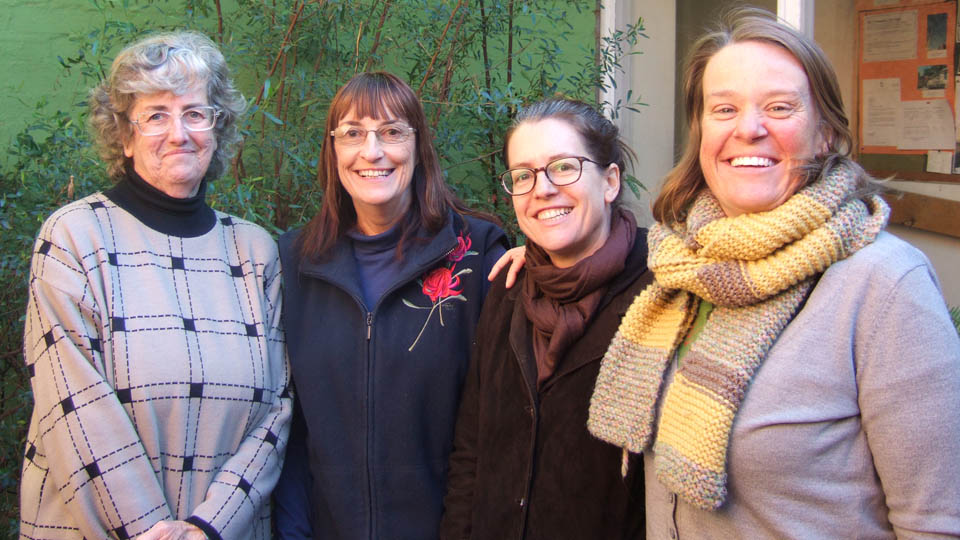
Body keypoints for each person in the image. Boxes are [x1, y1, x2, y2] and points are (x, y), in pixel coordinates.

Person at [588, 8, 960, 539]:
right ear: (701, 132)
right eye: (724, 109)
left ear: (825, 133)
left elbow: (937, 523)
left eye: (780, 107)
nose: (749, 129)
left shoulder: (883, 286)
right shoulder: (681, 272)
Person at [19, 32, 291, 540]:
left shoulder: (256, 252)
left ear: (218, 127)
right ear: (124, 135)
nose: (178, 133)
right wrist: (152, 531)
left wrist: (209, 528)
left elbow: (278, 410)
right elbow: (74, 409)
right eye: (155, 115)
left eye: (195, 113)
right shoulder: (75, 237)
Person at [275, 71, 510, 539]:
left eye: (391, 132)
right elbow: (289, 428)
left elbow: (503, 421)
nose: (372, 151)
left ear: (418, 145)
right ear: (333, 149)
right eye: (353, 133)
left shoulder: (477, 254)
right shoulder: (294, 262)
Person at [440, 98, 650, 539]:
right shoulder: (510, 287)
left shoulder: (660, 286)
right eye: (524, 175)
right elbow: (472, 450)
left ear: (610, 181)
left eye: (563, 167)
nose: (543, 189)